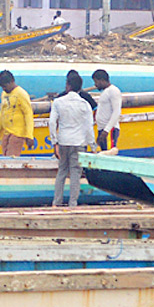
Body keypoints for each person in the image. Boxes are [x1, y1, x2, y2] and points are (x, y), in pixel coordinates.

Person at [50, 71, 95, 206]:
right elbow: (89, 127)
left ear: (68, 86)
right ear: (80, 87)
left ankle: (56, 202)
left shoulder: (58, 102)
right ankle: (72, 204)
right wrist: (92, 147)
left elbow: (52, 123)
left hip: (63, 141)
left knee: (62, 171)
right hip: (79, 142)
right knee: (75, 174)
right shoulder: (85, 104)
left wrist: (54, 142)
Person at [0, 70, 34, 157]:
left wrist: (29, 135)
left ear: (11, 82)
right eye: (2, 87)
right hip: (6, 133)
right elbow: (2, 115)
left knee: (11, 159)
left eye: (5, 86)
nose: (4, 89)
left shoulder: (21, 94)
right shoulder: (4, 94)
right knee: (5, 158)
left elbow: (28, 114)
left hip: (17, 133)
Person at [93, 69, 123, 151]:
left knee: (109, 155)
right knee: (104, 154)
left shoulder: (113, 91)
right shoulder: (105, 92)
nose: (95, 85)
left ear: (102, 81)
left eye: (96, 82)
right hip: (102, 129)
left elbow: (116, 112)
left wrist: (106, 130)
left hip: (109, 130)